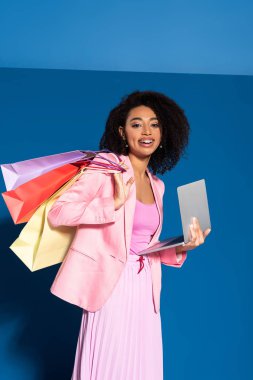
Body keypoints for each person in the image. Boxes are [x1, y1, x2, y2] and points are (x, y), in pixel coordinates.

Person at [47, 90, 211, 380]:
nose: (146, 131)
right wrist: (111, 204)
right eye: (137, 124)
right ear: (122, 132)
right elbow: (58, 212)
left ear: (164, 133)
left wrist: (186, 244)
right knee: (109, 365)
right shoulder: (105, 168)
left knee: (141, 368)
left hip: (145, 288)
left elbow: (144, 245)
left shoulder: (157, 185)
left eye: (155, 124)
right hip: (110, 284)